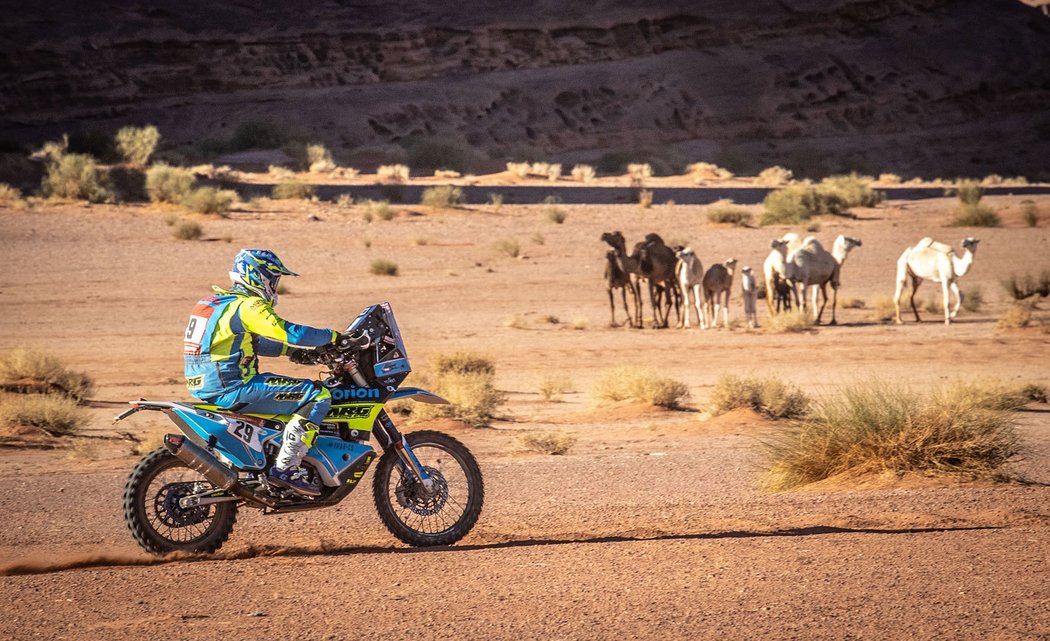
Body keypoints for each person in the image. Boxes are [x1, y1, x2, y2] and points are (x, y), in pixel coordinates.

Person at [183, 249, 337, 497]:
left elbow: (250, 343)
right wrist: (334, 336)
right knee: (317, 394)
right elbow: (292, 332)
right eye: (273, 278)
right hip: (233, 387)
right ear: (258, 276)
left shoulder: (213, 303)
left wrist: (292, 353)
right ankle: (286, 468)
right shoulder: (248, 306)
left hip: (204, 385)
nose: (275, 285)